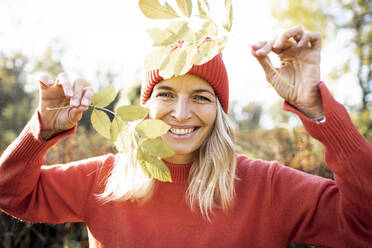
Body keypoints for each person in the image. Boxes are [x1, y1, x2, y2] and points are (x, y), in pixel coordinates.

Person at [0, 26, 371, 248]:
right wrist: (42, 130)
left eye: (200, 97)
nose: (180, 113)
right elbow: (10, 193)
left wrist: (317, 109)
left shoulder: (268, 187)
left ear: (220, 113)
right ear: (145, 106)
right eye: (165, 94)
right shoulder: (104, 179)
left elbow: (364, 225)